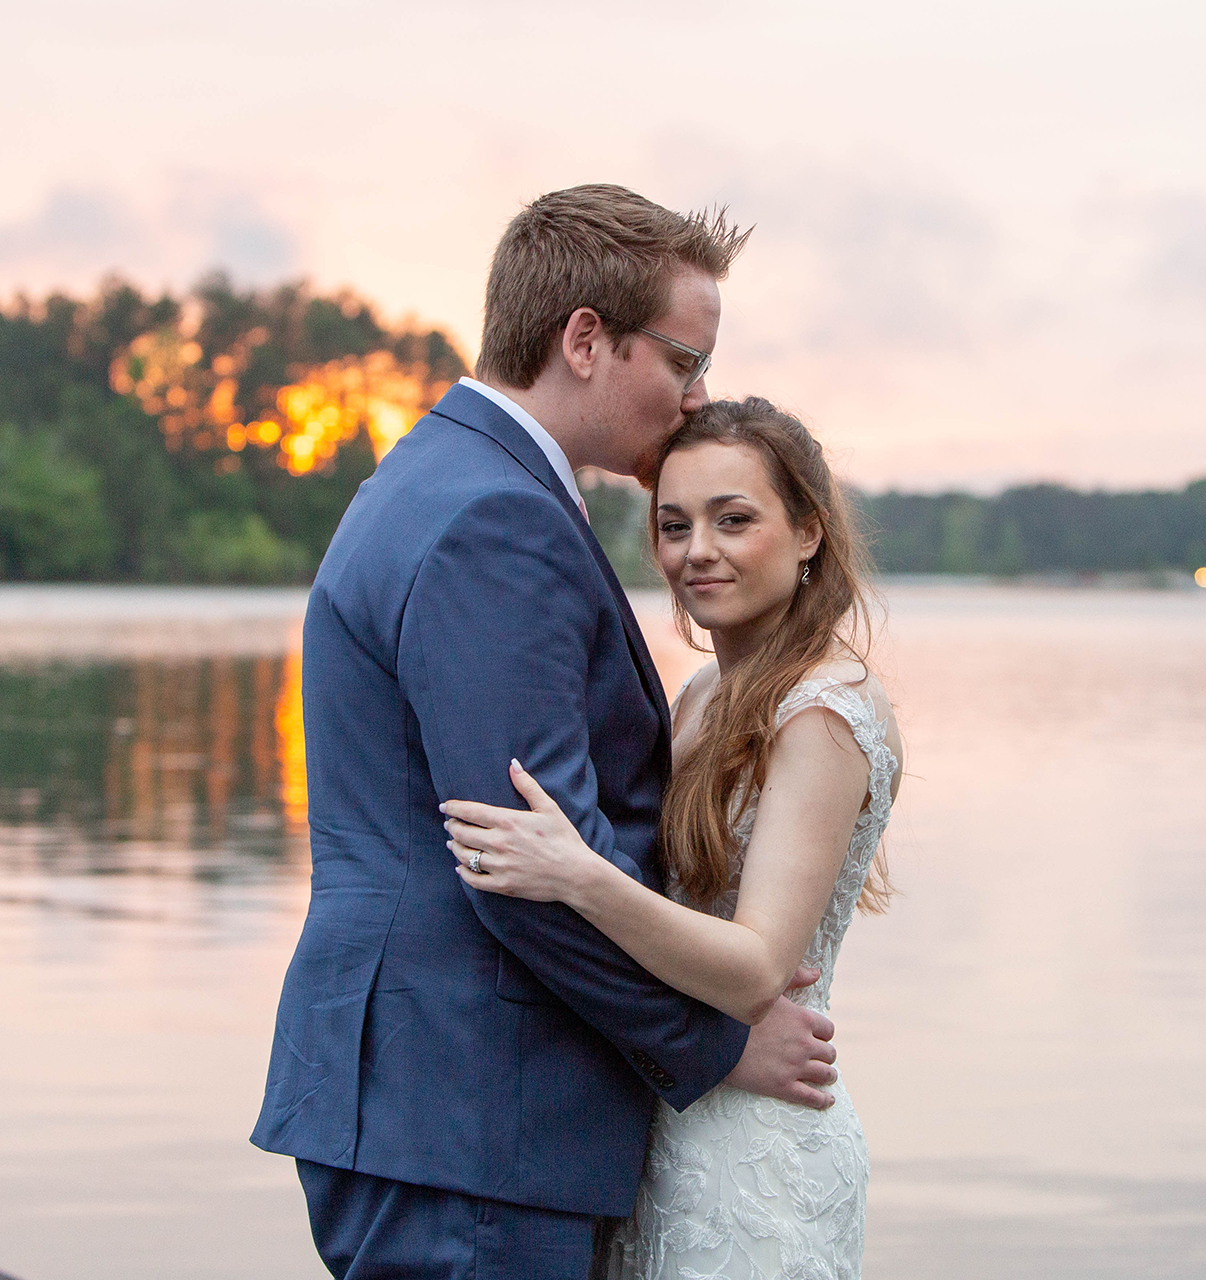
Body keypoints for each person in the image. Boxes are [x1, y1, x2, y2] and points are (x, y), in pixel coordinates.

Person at [250, 186, 841, 1280]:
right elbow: (523, 862)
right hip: (475, 1112)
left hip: (436, 1105)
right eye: (681, 359)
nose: (697, 393)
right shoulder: (498, 517)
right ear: (585, 340)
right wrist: (709, 1048)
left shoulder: (442, 473)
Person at [444, 396, 901, 1279]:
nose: (699, 551)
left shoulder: (823, 711)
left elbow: (758, 966)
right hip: (674, 1117)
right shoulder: (699, 697)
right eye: (674, 524)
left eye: (734, 520)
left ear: (808, 531)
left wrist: (578, 876)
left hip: (757, 1152)